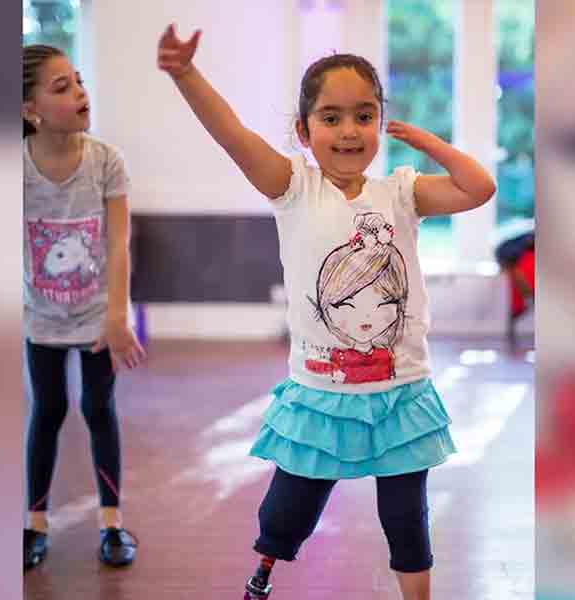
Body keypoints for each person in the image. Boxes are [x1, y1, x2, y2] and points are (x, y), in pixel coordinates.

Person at [157, 24, 495, 600]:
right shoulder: (293, 188)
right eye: (331, 117)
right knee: (288, 511)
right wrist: (186, 74)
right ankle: (263, 571)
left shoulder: (402, 192)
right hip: (321, 393)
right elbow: (232, 135)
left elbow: (479, 187)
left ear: (381, 124)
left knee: (407, 519)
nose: (349, 130)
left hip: (401, 396)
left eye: (365, 116)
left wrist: (428, 144)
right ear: (303, 130)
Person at [22, 44, 145, 571]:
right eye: (62, 87)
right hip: (41, 318)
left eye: (78, 80)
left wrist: (117, 315)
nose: (80, 92)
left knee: (98, 409)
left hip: (98, 316)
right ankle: (34, 522)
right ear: (31, 111)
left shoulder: (106, 162)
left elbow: (118, 244)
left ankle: (112, 522)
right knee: (47, 411)